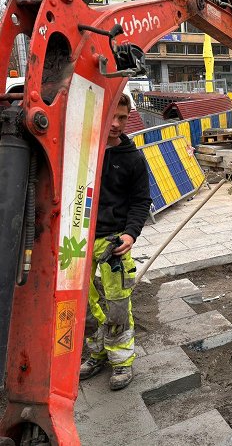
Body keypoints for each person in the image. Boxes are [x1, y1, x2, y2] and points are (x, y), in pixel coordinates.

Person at [79, 93, 152, 390]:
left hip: (112, 242)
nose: (116, 124)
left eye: (122, 118)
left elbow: (140, 200)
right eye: (111, 116)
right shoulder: (81, 152)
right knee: (81, 302)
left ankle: (121, 361)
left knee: (119, 305)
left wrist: (130, 233)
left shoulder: (132, 159)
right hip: (78, 240)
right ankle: (97, 353)